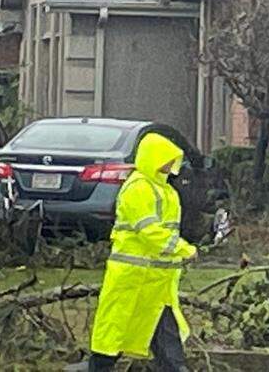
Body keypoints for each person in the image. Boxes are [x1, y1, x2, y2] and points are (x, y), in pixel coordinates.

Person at [84, 132, 197, 371]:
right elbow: (149, 231)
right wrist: (183, 249)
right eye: (166, 158)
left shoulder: (165, 190)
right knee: (112, 336)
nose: (171, 164)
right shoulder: (139, 188)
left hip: (156, 283)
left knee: (163, 342)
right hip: (132, 280)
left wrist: (179, 252)